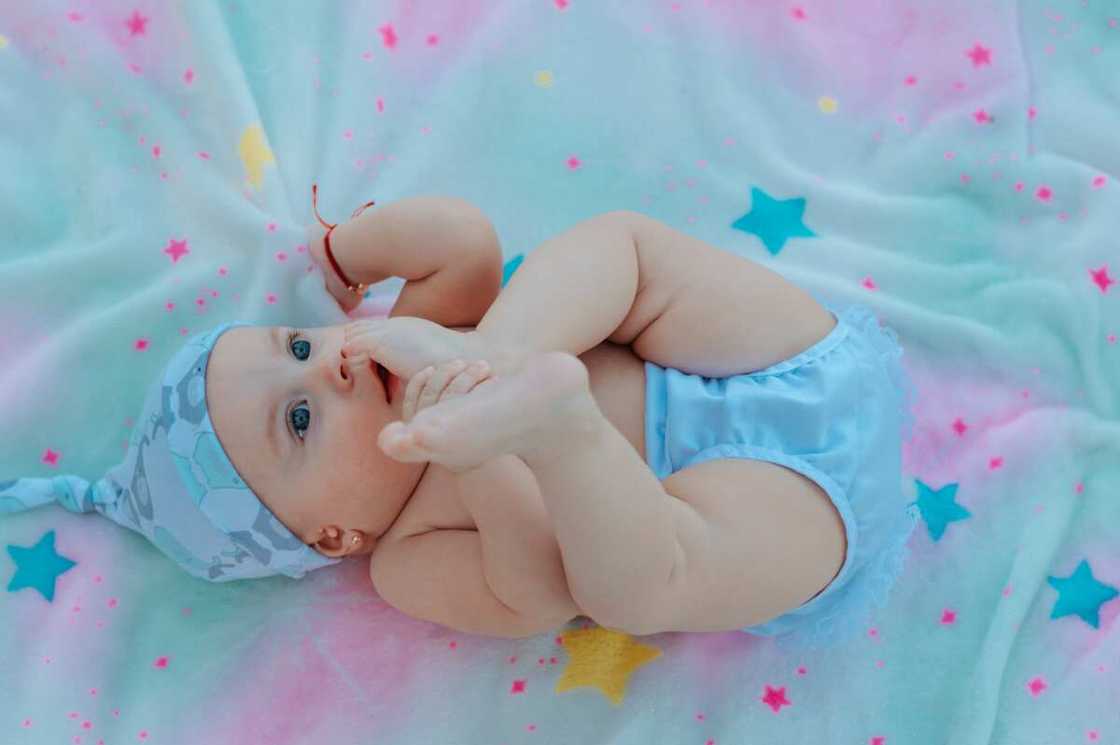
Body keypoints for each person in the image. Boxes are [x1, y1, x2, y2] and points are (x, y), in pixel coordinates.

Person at [2, 184, 918, 652]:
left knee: (620, 249)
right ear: (331, 532)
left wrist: (348, 251)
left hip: (783, 361)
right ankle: (553, 422)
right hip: (774, 511)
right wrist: (479, 447)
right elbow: (536, 596)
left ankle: (523, 380)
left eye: (294, 346)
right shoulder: (406, 554)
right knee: (628, 593)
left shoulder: (421, 335)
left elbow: (466, 240)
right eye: (300, 419)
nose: (331, 365)